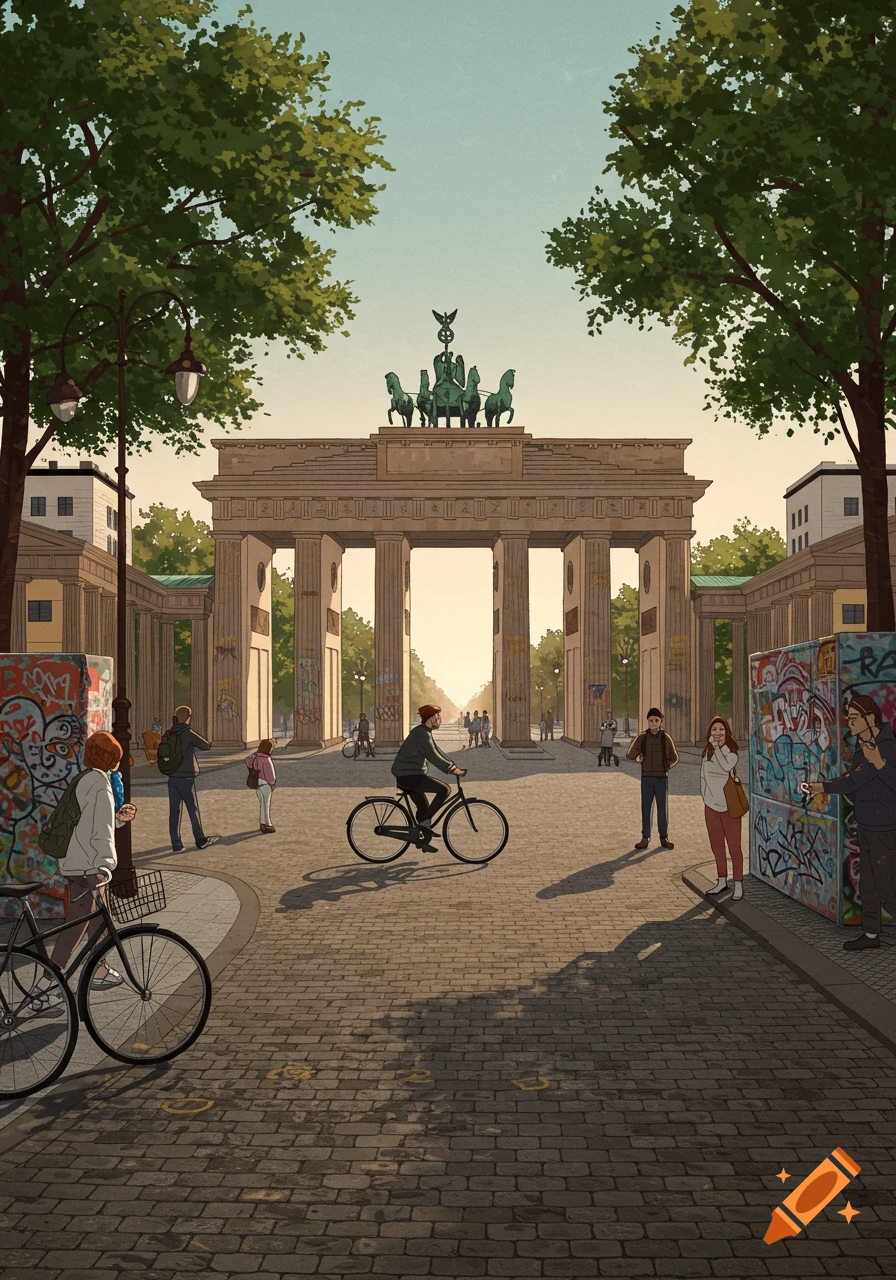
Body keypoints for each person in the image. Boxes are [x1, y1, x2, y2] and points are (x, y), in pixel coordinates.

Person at [46, 731, 137, 999]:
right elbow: (101, 832)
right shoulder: (100, 784)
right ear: (109, 758)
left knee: (97, 920)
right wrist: (106, 865)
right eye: (116, 757)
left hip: (78, 862)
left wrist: (119, 819)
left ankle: (95, 969)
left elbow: (90, 825)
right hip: (86, 866)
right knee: (79, 923)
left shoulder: (87, 779)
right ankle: (48, 984)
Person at [808, 693, 896, 951]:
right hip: (867, 825)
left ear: (870, 718)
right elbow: (853, 777)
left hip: (885, 829)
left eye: (855, 718)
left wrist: (878, 762)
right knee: (868, 884)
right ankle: (870, 935)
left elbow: (883, 780)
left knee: (886, 888)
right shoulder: (865, 744)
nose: (850, 722)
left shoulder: (887, 745)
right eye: (849, 718)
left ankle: (871, 933)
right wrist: (822, 786)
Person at [392, 704, 466, 851]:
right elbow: (432, 755)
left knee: (423, 808)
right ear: (431, 718)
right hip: (410, 776)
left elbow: (437, 751)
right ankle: (424, 826)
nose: (439, 718)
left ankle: (421, 839)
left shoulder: (424, 732)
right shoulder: (422, 734)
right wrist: (451, 769)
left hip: (407, 775)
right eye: (437, 716)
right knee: (444, 790)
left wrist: (453, 765)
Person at [701, 716, 744, 900]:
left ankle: (739, 884)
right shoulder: (707, 753)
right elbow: (703, 776)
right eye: (714, 730)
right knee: (717, 847)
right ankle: (721, 880)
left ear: (726, 732)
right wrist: (706, 796)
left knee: (734, 847)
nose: (717, 733)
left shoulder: (731, 751)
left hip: (729, 807)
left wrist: (718, 747)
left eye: (721, 729)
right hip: (711, 807)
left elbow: (726, 766)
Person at [164, 705, 217, 852]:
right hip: (186, 777)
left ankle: (176, 843)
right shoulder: (188, 733)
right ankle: (200, 839)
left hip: (172, 776)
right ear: (188, 718)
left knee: (174, 811)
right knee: (192, 809)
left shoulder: (169, 733)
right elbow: (206, 746)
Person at [626, 706, 679, 849]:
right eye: (651, 721)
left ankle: (664, 838)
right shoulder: (642, 737)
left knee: (662, 810)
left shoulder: (666, 738)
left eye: (656, 720)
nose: (653, 723)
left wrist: (666, 767)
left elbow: (674, 758)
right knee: (646, 809)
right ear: (648, 722)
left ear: (661, 721)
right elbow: (630, 754)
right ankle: (645, 837)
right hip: (647, 779)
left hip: (661, 779)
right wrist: (638, 758)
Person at [246, 738, 277, 833]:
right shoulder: (266, 760)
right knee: (266, 805)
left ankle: (262, 824)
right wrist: (272, 784)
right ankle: (268, 824)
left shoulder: (254, 757)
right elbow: (271, 777)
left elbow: (247, 760)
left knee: (262, 805)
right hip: (265, 785)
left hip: (257, 784)